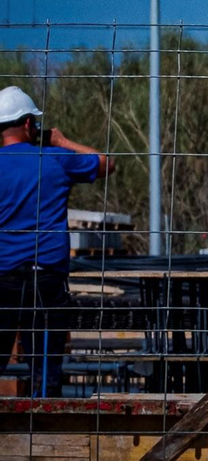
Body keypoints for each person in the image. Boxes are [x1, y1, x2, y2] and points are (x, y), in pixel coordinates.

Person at [0, 86, 112, 397]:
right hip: (46, 276)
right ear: (27, 125)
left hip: (3, 276)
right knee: (46, 365)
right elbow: (105, 162)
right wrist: (62, 141)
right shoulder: (56, 159)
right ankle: (47, 428)